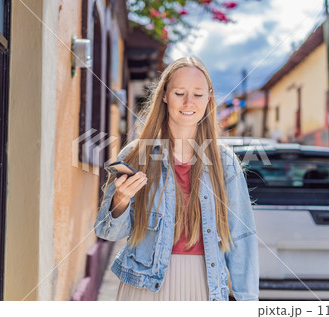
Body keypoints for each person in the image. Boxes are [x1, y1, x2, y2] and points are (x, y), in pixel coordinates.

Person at [94, 56, 259, 301]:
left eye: (198, 94)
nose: (188, 102)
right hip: (143, 290)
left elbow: (241, 238)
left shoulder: (225, 162)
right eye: (180, 92)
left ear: (209, 97)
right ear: (164, 95)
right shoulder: (135, 155)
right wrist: (121, 199)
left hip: (204, 287)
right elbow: (107, 232)